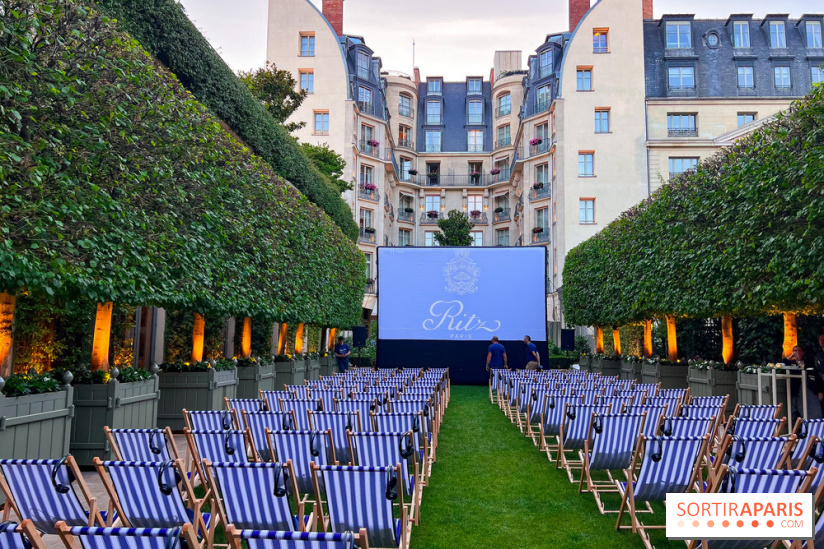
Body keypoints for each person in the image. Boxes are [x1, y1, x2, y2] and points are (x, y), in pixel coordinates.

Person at [786, 345, 823, 420]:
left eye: (799, 351)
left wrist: (820, 391)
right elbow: (781, 364)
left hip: (809, 389)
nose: (797, 352)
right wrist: (791, 357)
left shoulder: (809, 363)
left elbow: (817, 377)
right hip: (795, 390)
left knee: (814, 410)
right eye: (795, 351)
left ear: (802, 353)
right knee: (796, 411)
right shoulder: (790, 363)